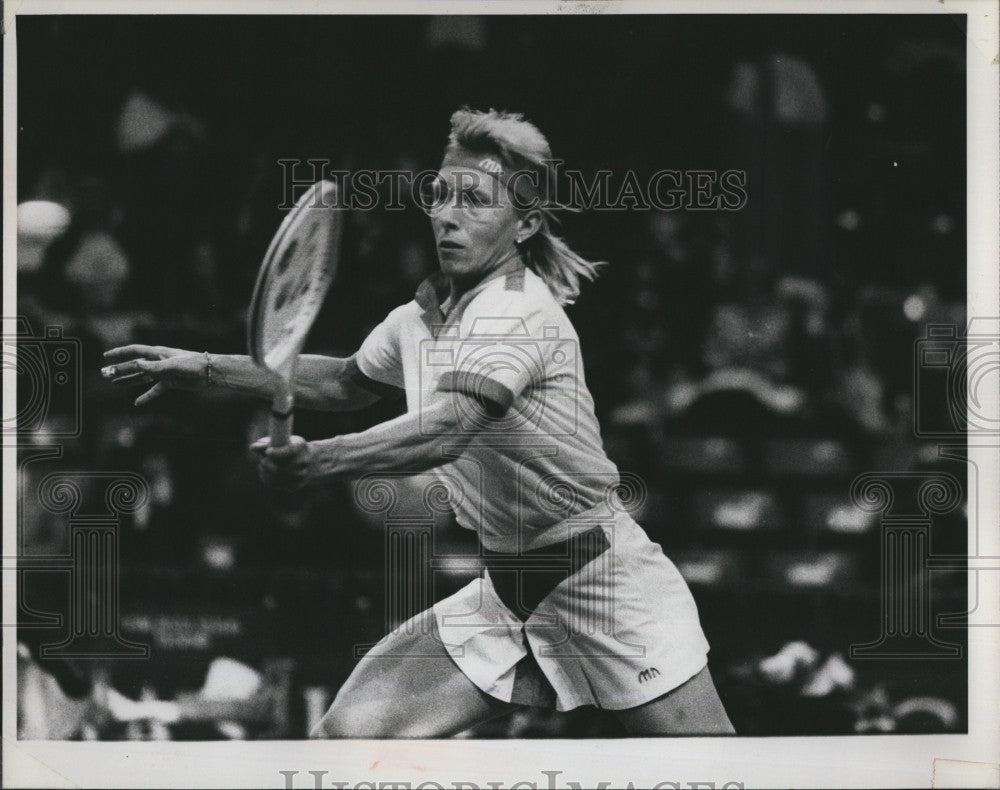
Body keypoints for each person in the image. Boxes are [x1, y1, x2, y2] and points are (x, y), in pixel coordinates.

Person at [104, 108, 734, 737]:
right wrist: (205, 368)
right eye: (441, 195)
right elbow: (347, 382)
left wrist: (318, 461)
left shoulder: (516, 312)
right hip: (513, 587)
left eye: (476, 201)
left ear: (526, 224)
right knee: (346, 739)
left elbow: (446, 429)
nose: (448, 214)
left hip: (605, 581)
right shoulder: (422, 316)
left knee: (713, 777)